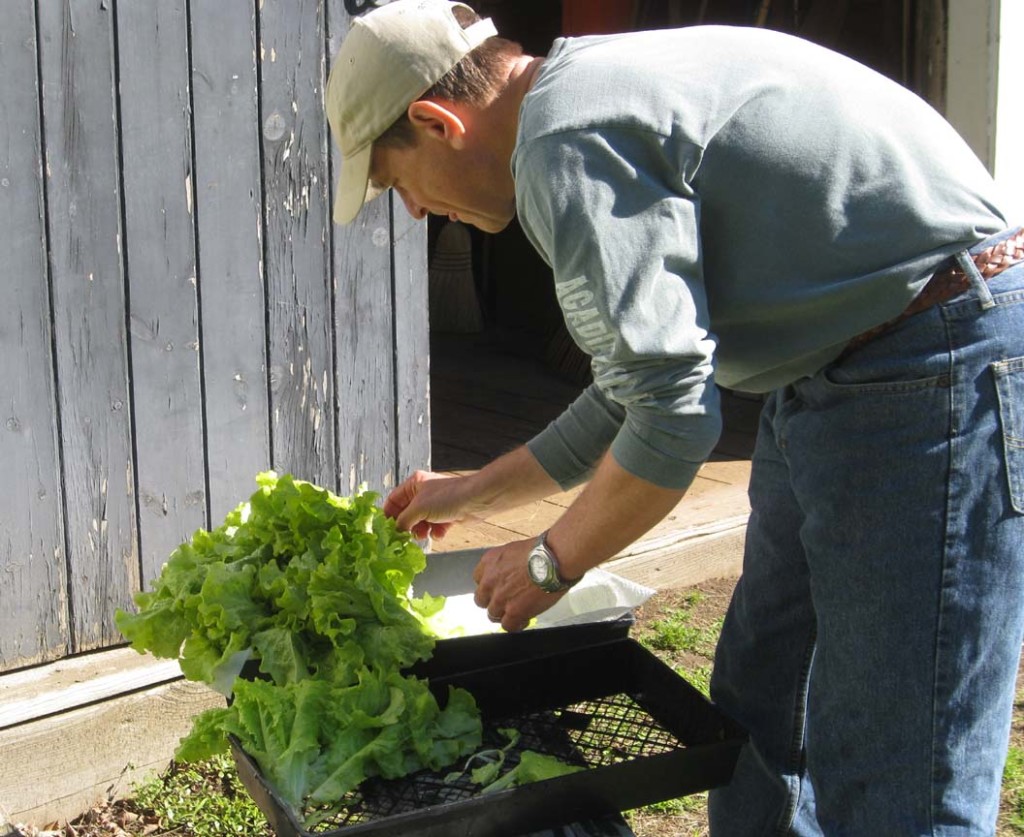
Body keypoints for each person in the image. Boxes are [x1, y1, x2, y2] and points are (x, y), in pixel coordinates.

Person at [325, 1, 1024, 833]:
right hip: (843, 364)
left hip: (930, 356)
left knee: (897, 760)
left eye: (395, 183)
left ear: (437, 122)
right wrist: (475, 489)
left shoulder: (563, 148)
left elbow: (673, 420)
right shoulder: (574, 102)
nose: (411, 212)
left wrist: (551, 560)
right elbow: (636, 388)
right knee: (765, 697)